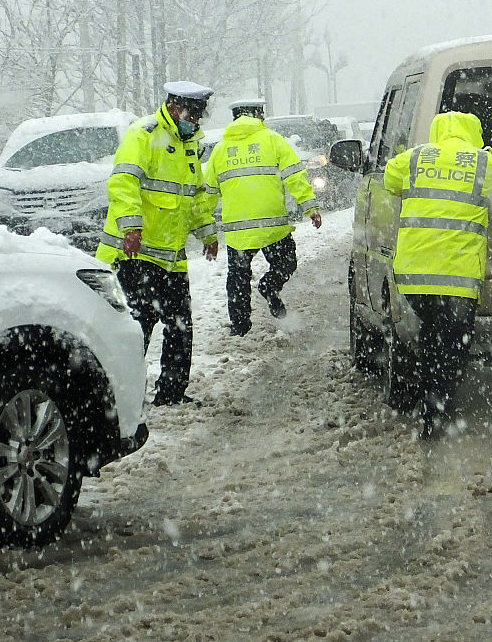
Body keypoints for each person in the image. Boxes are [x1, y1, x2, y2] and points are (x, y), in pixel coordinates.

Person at [383, 108, 492, 438]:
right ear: (473, 133)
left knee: (432, 335)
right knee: (451, 345)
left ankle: (426, 401)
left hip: (415, 275)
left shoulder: (414, 159)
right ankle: (437, 413)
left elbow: (390, 179)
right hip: (457, 277)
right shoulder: (483, 163)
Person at [95, 81, 220, 406]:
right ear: (176, 108)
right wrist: (131, 226)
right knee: (138, 328)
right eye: (193, 115)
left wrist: (207, 232)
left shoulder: (189, 145)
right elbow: (123, 182)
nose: (196, 122)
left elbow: (194, 198)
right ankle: (123, 399)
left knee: (180, 327)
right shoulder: (144, 135)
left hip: (170, 257)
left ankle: (171, 394)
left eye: (199, 117)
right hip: (134, 254)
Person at [203, 99, 322, 336]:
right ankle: (269, 285)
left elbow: (208, 195)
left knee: (238, 279)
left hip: (238, 231)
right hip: (272, 226)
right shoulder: (273, 140)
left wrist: (206, 232)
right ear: (259, 116)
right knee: (285, 264)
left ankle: (240, 328)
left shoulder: (220, 150)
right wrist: (310, 207)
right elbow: (294, 176)